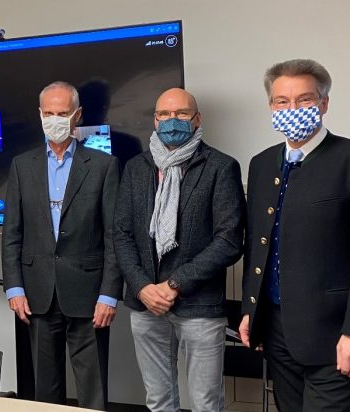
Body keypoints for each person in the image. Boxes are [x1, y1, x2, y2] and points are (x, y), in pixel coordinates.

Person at [239, 59, 350, 411]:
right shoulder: (262, 164)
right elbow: (259, 245)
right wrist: (252, 310)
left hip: (335, 335)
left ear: (323, 103)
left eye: (304, 99)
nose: (292, 108)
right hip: (277, 331)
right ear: (271, 106)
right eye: (282, 101)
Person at [114, 88, 245, 412]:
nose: (172, 120)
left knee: (205, 403)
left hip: (199, 305)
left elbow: (229, 240)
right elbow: (122, 235)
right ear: (155, 120)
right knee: (158, 401)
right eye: (164, 114)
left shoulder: (221, 167)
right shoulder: (136, 168)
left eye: (181, 114)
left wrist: (175, 284)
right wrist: (142, 287)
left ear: (197, 119)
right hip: (146, 305)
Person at [1, 81, 122, 410]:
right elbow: (12, 233)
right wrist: (14, 289)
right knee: (45, 389)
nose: (55, 119)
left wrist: (109, 294)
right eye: (49, 113)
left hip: (89, 294)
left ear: (77, 115)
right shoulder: (21, 165)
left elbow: (113, 237)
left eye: (63, 113)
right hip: (37, 293)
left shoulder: (103, 166)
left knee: (93, 387)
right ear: (40, 114)